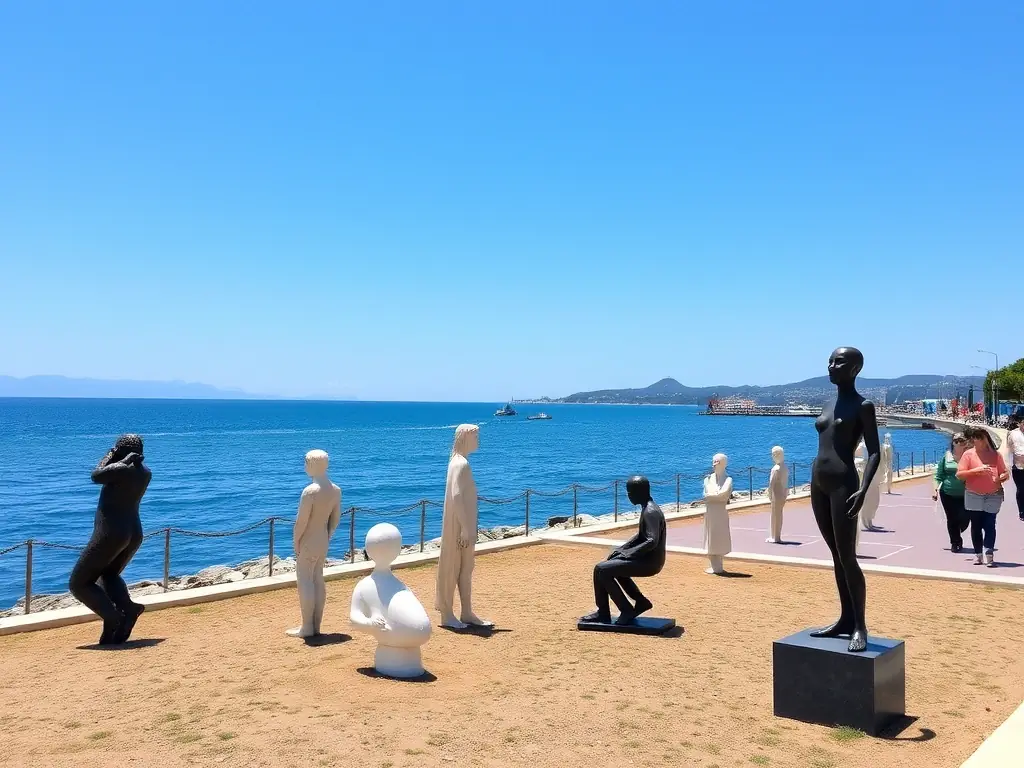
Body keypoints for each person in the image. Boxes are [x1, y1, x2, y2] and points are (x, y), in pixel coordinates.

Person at [957, 426, 1009, 567]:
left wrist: (1001, 478)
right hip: (973, 494)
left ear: (986, 439)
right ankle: (978, 555)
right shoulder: (968, 454)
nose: (977, 441)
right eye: (975, 438)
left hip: (993, 494)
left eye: (980, 438)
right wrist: (975, 471)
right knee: (976, 525)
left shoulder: (995, 455)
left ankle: (989, 554)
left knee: (990, 525)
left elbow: (1005, 473)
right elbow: (960, 475)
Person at [932, 433, 969, 552]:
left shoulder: (970, 456)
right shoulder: (947, 457)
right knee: (952, 518)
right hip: (947, 493)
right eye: (957, 440)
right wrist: (936, 489)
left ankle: (958, 532)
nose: (959, 442)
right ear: (953, 442)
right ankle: (955, 542)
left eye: (962, 440)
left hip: (966, 493)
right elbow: (938, 476)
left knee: (965, 517)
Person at [1005, 416, 1024, 521]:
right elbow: (1013, 452)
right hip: (1019, 467)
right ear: (1020, 423)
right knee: (1021, 489)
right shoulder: (1014, 434)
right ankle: (1022, 511)